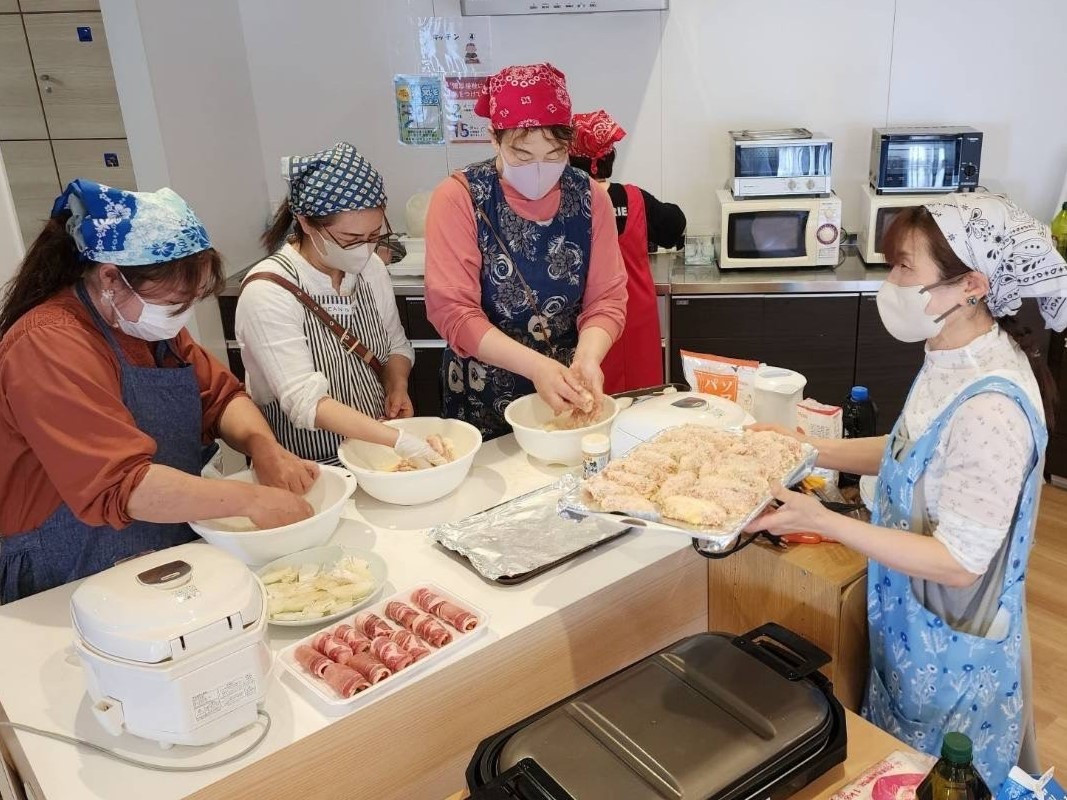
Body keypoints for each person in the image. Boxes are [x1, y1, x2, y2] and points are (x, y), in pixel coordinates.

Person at [747, 193, 1067, 789]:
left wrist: (827, 519)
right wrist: (804, 449)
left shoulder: (992, 406)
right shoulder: (950, 355)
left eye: (903, 268)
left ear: (971, 284)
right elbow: (908, 453)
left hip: (953, 657)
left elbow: (960, 562)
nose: (887, 282)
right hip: (910, 627)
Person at [0, 180, 317, 602]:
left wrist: (264, 448)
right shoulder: (48, 343)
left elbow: (222, 398)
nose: (179, 318)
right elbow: (123, 484)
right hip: (68, 566)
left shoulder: (146, 326)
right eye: (172, 305)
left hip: (157, 541)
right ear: (111, 277)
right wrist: (252, 500)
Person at [425, 64, 628, 438]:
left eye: (554, 154)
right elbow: (453, 312)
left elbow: (607, 298)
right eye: (521, 154)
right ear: (493, 139)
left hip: (569, 391)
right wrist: (535, 366)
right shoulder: (459, 198)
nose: (539, 168)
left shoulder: (589, 197)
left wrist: (588, 356)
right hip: (482, 398)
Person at [236, 142, 442, 467]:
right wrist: (398, 439)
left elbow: (396, 346)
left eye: (374, 234)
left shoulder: (370, 269)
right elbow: (304, 402)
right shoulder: (268, 291)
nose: (364, 249)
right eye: (350, 239)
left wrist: (396, 385)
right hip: (310, 468)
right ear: (305, 222)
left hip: (377, 457)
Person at [568, 109, 686, 393]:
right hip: (635, 319)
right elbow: (675, 224)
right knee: (641, 405)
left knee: (591, 402)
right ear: (610, 158)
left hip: (585, 326)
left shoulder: (565, 205)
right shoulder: (635, 198)